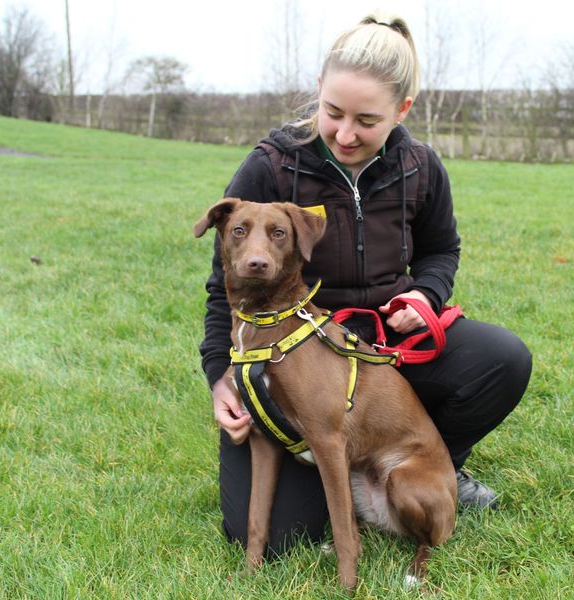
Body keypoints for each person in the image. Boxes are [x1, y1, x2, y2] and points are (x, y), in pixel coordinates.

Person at [199, 13, 532, 553]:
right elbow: (224, 285)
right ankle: (333, 466)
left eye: (367, 120)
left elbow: (441, 251)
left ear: (402, 110)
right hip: (302, 361)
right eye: (332, 112)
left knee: (502, 358)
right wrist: (220, 375)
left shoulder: (420, 166)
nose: (345, 134)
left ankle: (433, 466)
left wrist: (425, 294)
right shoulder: (273, 167)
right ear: (319, 89)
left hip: (387, 352)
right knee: (275, 539)